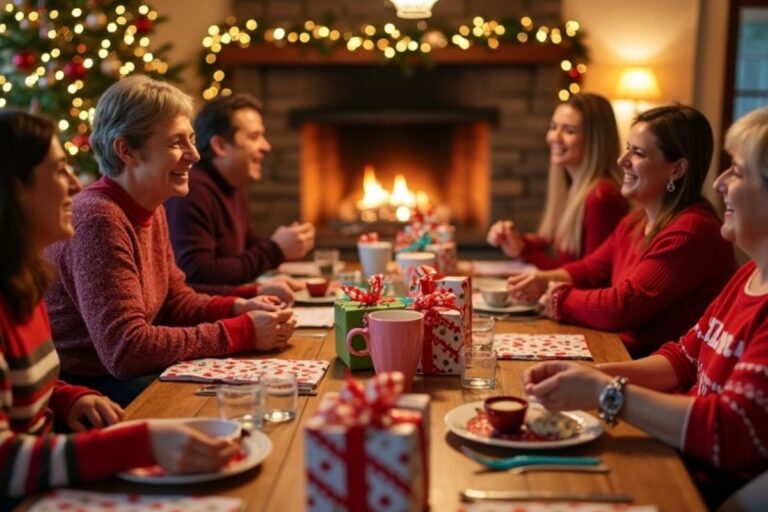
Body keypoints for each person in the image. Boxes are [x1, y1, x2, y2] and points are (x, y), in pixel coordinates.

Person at [522, 106, 768, 508]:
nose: (721, 182)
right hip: (671, 447)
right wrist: (592, 374)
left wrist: (607, 392)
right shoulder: (747, 276)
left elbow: (730, 432)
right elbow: (684, 357)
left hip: (691, 485)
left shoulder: (694, 231)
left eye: (738, 171)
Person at [0, 111, 238, 500]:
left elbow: (19, 390)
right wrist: (138, 443)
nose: (76, 185)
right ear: (15, 191)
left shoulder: (23, 283)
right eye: (60, 171)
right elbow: (6, 462)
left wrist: (66, 396)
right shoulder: (97, 216)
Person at [45, 76, 296, 406]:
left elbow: (175, 300)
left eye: (192, 139)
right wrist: (241, 331)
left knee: (260, 385)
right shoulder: (98, 218)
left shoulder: (150, 206)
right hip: (90, 391)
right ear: (127, 150)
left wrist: (239, 306)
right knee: (243, 398)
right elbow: (126, 350)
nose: (194, 154)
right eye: (177, 142)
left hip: (123, 376)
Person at [509, 105, 735, 357]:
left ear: (676, 169)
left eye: (638, 153)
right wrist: (543, 279)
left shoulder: (691, 232)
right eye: (627, 148)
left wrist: (558, 298)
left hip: (651, 370)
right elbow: (591, 269)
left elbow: (622, 306)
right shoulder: (636, 219)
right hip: (620, 350)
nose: (622, 161)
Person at [164, 93, 315, 299]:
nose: (266, 146)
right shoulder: (191, 190)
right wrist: (276, 249)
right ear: (220, 146)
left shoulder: (232, 184)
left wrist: (276, 260)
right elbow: (196, 273)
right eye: (254, 137)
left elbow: (247, 249)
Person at [487, 93, 628, 269]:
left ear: (594, 141)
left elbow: (591, 278)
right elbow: (557, 250)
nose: (555, 137)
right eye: (553, 127)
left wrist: (524, 252)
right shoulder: (575, 189)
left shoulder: (602, 197)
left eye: (569, 131)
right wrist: (516, 241)